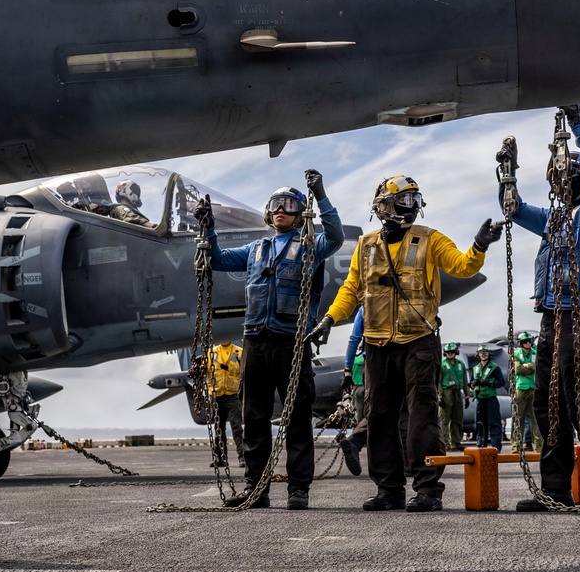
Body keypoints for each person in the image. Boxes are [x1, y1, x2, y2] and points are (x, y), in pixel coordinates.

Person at [311, 175, 501, 511]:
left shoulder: (430, 239)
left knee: (422, 415)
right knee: (380, 416)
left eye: (415, 201)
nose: (412, 208)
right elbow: (351, 290)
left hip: (420, 341)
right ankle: (389, 490)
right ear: (384, 204)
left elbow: (462, 265)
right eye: (405, 200)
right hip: (378, 344)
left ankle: (428, 490)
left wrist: (480, 245)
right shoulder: (366, 245)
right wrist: (328, 319)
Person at [498, 106, 580, 513]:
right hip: (551, 321)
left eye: (565, 172)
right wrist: (507, 173)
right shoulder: (553, 221)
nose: (560, 177)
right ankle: (555, 490)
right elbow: (513, 209)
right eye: (556, 173)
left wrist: (578, 128)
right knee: (547, 405)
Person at [198, 172, 344, 509]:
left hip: (291, 343)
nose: (281, 209)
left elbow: (335, 236)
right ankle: (256, 488)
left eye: (289, 205)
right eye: (276, 204)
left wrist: (320, 195)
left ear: (300, 212)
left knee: (296, 416)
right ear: (268, 211)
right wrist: (208, 229)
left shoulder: (310, 246)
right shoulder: (255, 249)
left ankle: (298, 490)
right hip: (256, 340)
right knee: (255, 416)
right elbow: (217, 259)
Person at [340, 308, 366, 477]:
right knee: (403, 411)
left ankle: (355, 441)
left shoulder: (365, 306)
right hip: (398, 360)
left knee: (371, 414)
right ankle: (407, 462)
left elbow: (354, 339)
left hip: (366, 378)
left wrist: (347, 370)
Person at [208, 339, 243, 463]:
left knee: (237, 427)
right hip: (216, 395)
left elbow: (243, 372)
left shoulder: (239, 353)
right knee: (218, 428)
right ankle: (220, 458)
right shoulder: (211, 353)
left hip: (232, 395)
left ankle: (242, 458)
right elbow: (204, 370)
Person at [472, 345, 505, 449]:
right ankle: (480, 443)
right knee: (480, 422)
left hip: (491, 398)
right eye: (481, 353)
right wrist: (473, 383)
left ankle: (496, 445)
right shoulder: (475, 368)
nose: (483, 355)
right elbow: (472, 382)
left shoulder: (495, 368)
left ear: (489, 354)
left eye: (485, 353)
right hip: (479, 398)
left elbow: (501, 382)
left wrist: (490, 382)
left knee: (494, 422)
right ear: (478, 355)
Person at [439, 341, 470, 452]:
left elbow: (465, 381)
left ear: (455, 352)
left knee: (457, 418)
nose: (450, 354)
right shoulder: (442, 365)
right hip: (446, 392)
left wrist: (467, 396)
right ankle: (445, 443)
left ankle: (456, 442)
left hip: (458, 392)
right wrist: (439, 396)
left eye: (452, 352)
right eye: (448, 352)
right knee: (444, 419)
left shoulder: (461, 364)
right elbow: (438, 381)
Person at [513, 331, 542, 450]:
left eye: (529, 341)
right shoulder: (516, 354)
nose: (528, 343)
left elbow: (538, 367)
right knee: (518, 417)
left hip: (534, 387)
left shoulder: (536, 353)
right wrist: (531, 367)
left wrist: (527, 366)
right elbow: (518, 369)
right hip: (521, 388)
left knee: (536, 418)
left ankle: (539, 446)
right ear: (521, 343)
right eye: (525, 341)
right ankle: (516, 445)